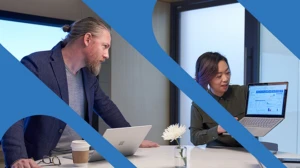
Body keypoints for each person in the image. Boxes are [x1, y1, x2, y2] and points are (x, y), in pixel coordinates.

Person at [1, 17, 159, 168]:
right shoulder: (36, 64)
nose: (106, 55)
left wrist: (132, 139)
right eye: (105, 46)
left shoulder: (88, 75)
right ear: (87, 39)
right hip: (42, 160)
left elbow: (106, 107)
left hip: (78, 159)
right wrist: (18, 157)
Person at [189, 52, 247, 147]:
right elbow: (194, 138)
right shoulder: (199, 104)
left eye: (227, 73)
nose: (225, 79)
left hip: (245, 151)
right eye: (218, 76)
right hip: (215, 154)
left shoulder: (243, 92)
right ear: (207, 78)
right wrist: (218, 129)